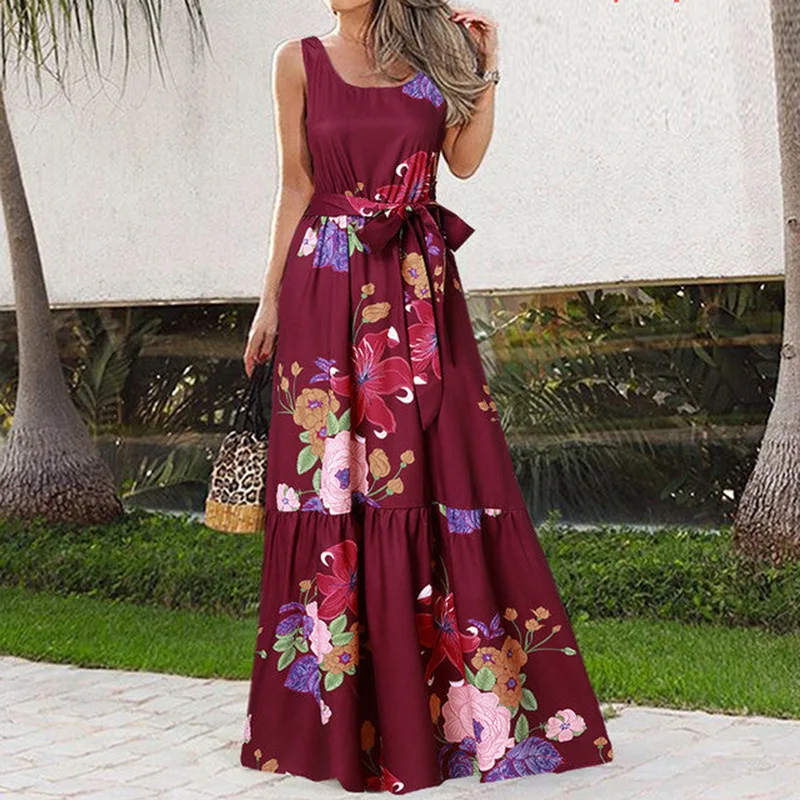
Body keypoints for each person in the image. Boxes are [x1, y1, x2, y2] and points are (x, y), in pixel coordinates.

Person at [239, 0, 614, 793]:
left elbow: (464, 161)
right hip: (325, 288)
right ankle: (340, 727)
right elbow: (295, 183)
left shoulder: (433, 51)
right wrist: (270, 299)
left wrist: (487, 68)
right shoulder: (297, 61)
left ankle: (451, 720)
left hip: (417, 289)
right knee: (335, 490)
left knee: (442, 477)